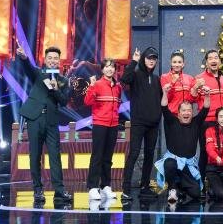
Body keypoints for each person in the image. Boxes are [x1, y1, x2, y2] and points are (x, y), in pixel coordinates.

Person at [17, 44, 73, 203]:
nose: (53, 60)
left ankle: (59, 191)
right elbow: (28, 68)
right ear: (45, 59)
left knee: (55, 156)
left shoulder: (63, 80)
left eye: (56, 58)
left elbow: (64, 101)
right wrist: (24, 57)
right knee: (35, 155)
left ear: (59, 61)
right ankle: (37, 190)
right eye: (50, 58)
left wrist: (56, 89)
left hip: (51, 121)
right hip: (34, 118)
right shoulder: (38, 73)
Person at [155, 83, 210, 203]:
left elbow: (206, 109)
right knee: (169, 163)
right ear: (178, 113)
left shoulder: (196, 123)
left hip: (187, 166)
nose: (186, 113)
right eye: (183, 111)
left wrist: (207, 95)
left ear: (192, 113)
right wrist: (165, 93)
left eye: (189, 110)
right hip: (173, 163)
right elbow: (164, 107)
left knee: (196, 193)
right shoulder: (172, 121)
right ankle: (172, 188)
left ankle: (179, 188)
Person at [120, 47, 162, 200]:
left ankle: (145, 186)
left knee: (150, 155)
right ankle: (125, 189)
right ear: (144, 59)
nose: (152, 60)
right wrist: (134, 61)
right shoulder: (136, 74)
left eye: (154, 58)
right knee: (134, 153)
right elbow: (124, 79)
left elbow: (160, 99)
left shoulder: (156, 79)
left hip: (153, 124)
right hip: (138, 123)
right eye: (149, 58)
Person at [84, 59, 122, 201]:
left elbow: (117, 104)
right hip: (100, 124)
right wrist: (91, 86)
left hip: (113, 125)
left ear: (115, 70)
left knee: (108, 157)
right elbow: (87, 102)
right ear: (102, 69)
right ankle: (93, 187)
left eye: (112, 67)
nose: (109, 69)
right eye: (106, 67)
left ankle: (105, 185)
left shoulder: (117, 87)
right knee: (97, 156)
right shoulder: (97, 84)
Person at [195, 50, 223, 176]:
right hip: (206, 121)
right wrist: (195, 87)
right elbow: (192, 98)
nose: (213, 60)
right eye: (210, 58)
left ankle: (217, 182)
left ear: (219, 61)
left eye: (216, 58)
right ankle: (201, 182)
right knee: (204, 151)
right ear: (206, 62)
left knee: (221, 151)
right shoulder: (199, 78)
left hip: (222, 122)